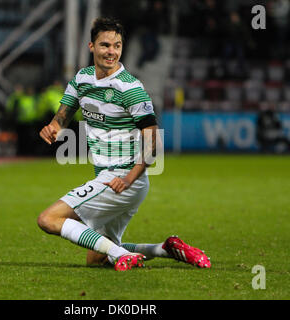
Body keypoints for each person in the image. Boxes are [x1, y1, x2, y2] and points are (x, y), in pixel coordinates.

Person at [37, 17, 210, 271]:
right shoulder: (82, 79)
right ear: (91, 46)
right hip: (113, 178)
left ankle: (120, 255)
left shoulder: (131, 88)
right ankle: (165, 248)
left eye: (117, 45)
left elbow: (153, 143)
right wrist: (53, 128)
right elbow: (61, 117)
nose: (112, 52)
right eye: (105, 45)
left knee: (48, 219)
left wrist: (129, 179)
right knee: (96, 257)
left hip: (123, 179)